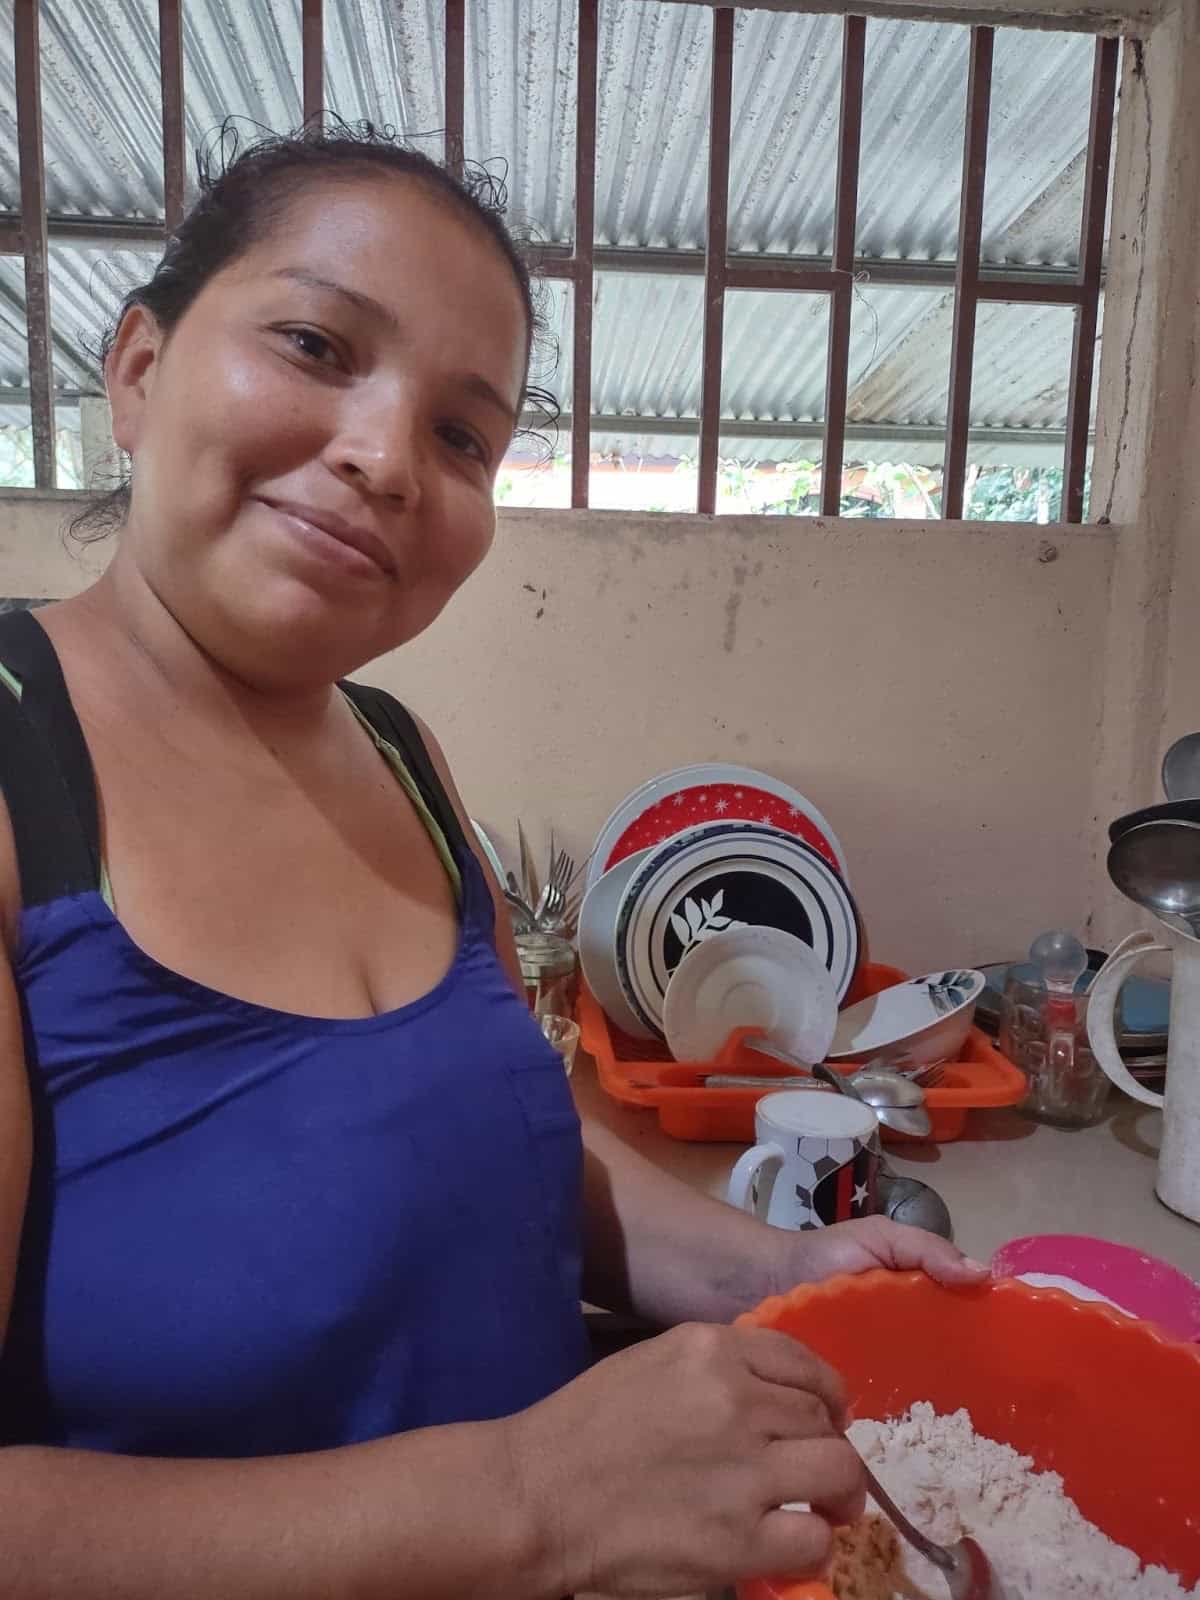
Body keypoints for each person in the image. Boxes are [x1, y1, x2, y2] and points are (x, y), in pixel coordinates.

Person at [0, 123, 987, 1599]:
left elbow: (487, 1143)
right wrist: (531, 1498)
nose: (387, 459)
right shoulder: (24, 778)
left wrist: (766, 1276)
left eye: (463, 434)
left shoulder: (398, 750)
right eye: (317, 342)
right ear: (138, 370)